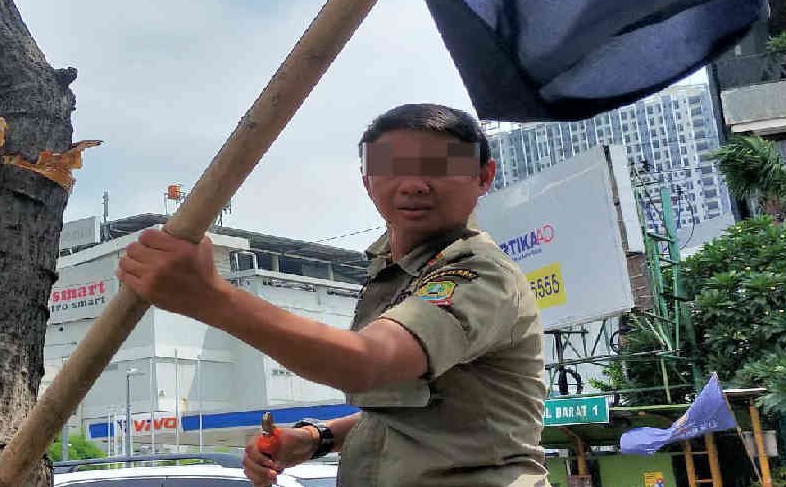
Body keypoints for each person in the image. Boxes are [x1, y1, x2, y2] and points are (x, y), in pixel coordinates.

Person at [117, 103, 547, 486]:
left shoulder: (479, 273)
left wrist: (210, 298)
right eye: (393, 168)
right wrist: (315, 438)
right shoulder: (395, 273)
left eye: (438, 167)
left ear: (483, 176)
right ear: (367, 180)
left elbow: (366, 364)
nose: (414, 184)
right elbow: (412, 414)